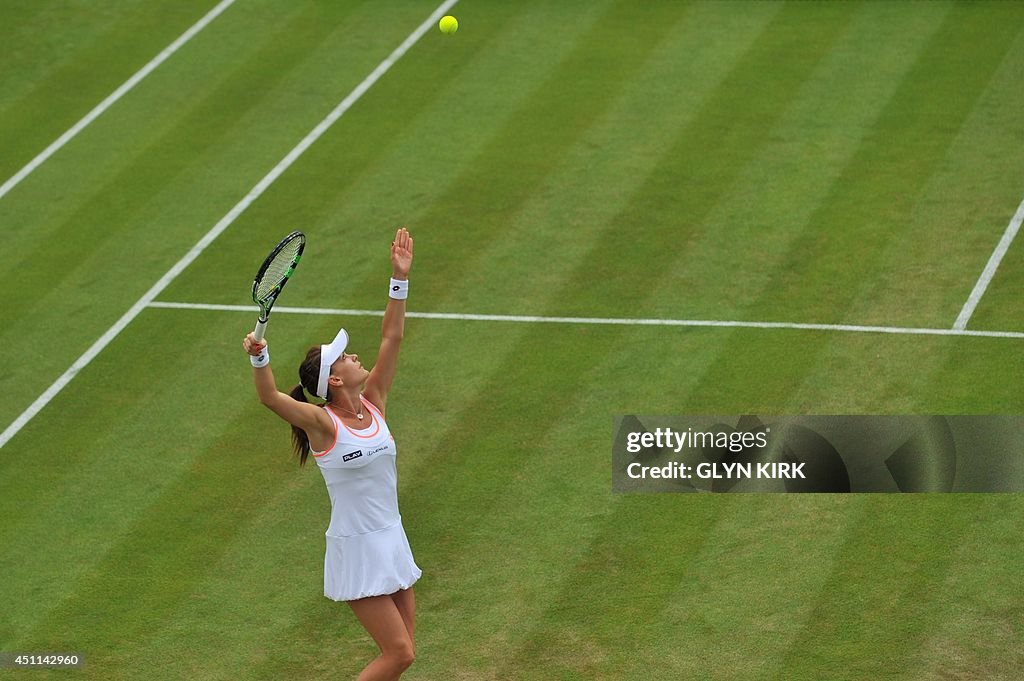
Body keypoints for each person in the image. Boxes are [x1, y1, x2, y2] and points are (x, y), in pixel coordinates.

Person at [243, 227, 420, 680]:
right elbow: (270, 399)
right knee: (397, 654)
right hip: (358, 547)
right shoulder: (325, 424)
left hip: (391, 536)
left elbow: (392, 338)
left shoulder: (374, 401)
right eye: (343, 357)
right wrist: (260, 358)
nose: (354, 355)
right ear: (334, 381)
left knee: (406, 655)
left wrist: (399, 279)